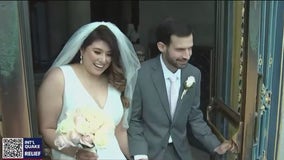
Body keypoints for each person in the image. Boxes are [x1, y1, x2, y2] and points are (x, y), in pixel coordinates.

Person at [127, 18, 235, 160]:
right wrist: (140, 154)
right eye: (180, 49)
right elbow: (134, 120)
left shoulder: (194, 74)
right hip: (149, 152)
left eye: (190, 48)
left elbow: (195, 116)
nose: (187, 55)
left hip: (181, 152)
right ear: (161, 47)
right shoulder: (141, 75)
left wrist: (215, 145)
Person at [37, 22, 140, 160]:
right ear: (82, 50)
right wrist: (76, 152)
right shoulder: (60, 78)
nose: (103, 60)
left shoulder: (115, 81)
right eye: (97, 52)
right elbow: (47, 129)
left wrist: (135, 157)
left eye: (109, 54)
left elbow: (120, 132)